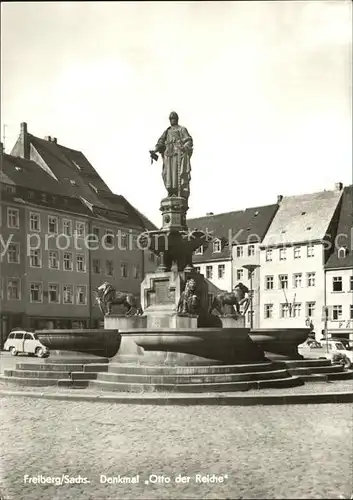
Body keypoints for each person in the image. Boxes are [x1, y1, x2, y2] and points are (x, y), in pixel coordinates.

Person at [150, 111, 193, 199]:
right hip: (168, 156)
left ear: (177, 119)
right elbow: (160, 142)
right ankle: (170, 191)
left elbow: (188, 140)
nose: (172, 121)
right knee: (167, 174)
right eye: (171, 119)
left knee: (176, 174)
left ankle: (177, 192)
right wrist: (155, 150)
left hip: (177, 156)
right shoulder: (167, 131)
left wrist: (184, 147)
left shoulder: (182, 129)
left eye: (174, 119)